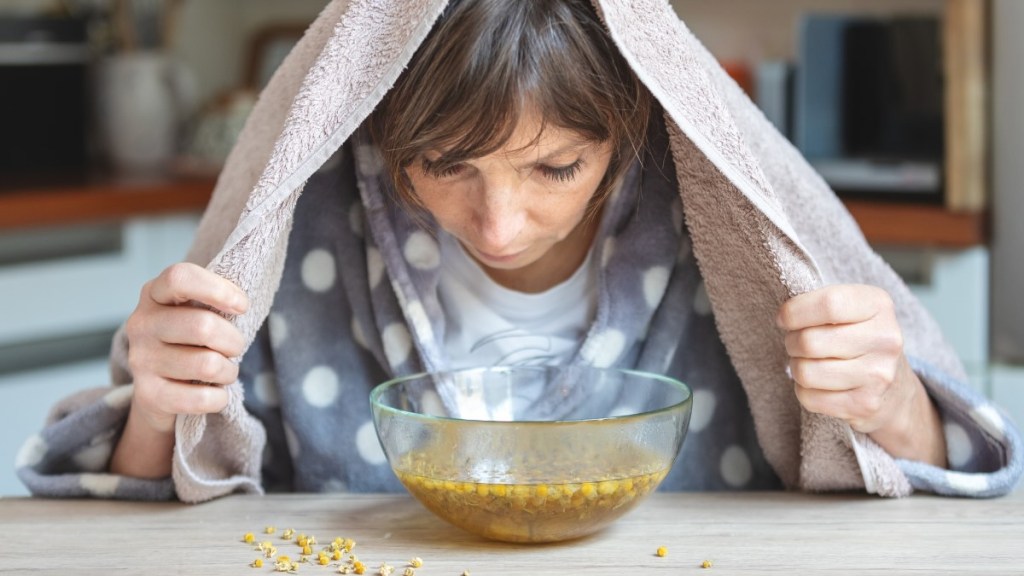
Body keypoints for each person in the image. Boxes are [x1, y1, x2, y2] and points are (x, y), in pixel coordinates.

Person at [18, 0, 1021, 500]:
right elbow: (156, 500)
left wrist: (888, 402)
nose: (496, 224)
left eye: (555, 170)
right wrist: (162, 402)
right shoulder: (305, 232)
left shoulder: (720, 239)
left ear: (630, 132)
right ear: (375, 130)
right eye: (444, 164)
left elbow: (951, 487)